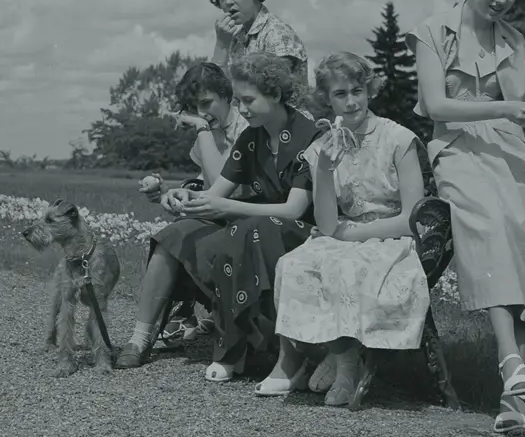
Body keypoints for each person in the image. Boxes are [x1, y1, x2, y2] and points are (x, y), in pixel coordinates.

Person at [405, 0, 525, 435]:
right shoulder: (433, 32)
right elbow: (436, 106)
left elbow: (519, 113)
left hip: (509, 147)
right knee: (490, 229)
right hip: (456, 147)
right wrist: (507, 109)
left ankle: (514, 399)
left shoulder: (514, 42)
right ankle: (510, 360)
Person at [116, 53, 318, 381]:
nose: (243, 109)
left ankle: (242, 347)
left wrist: (227, 208)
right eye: (239, 101)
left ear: (275, 94)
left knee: (247, 229)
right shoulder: (252, 138)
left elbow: (294, 210)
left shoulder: (307, 134)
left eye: (248, 100)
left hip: (298, 233)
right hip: (251, 225)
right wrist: (187, 197)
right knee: (177, 233)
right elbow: (217, 192)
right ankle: (139, 337)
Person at [258, 53, 432, 406]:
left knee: (344, 264)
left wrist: (349, 235)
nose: (351, 101)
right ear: (327, 99)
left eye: (357, 91)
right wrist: (324, 169)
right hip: (343, 232)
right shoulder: (322, 147)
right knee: (294, 263)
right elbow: (325, 223)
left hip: (392, 235)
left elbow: (412, 217)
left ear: (369, 91)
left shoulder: (398, 139)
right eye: (340, 94)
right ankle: (338, 356)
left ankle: (346, 369)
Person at [137, 62, 248, 350]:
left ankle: (187, 314)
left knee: (179, 235)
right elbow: (204, 182)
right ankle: (140, 336)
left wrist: (201, 128)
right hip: (220, 215)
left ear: (227, 95)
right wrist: (174, 194)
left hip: (247, 216)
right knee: (169, 236)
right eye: (193, 108)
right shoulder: (208, 131)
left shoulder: (246, 126)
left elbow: (223, 186)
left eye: (206, 103)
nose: (201, 113)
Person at [206, 0, 311, 110]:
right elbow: (216, 93)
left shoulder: (276, 34)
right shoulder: (236, 39)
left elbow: (274, 99)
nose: (228, 2)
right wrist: (221, 45)